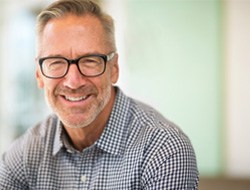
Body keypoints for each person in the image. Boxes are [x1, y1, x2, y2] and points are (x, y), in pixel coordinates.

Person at [0, 0, 199, 189]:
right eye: (56, 62)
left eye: (90, 60)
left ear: (114, 69)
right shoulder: (26, 152)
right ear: (39, 74)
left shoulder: (164, 149)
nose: (73, 82)